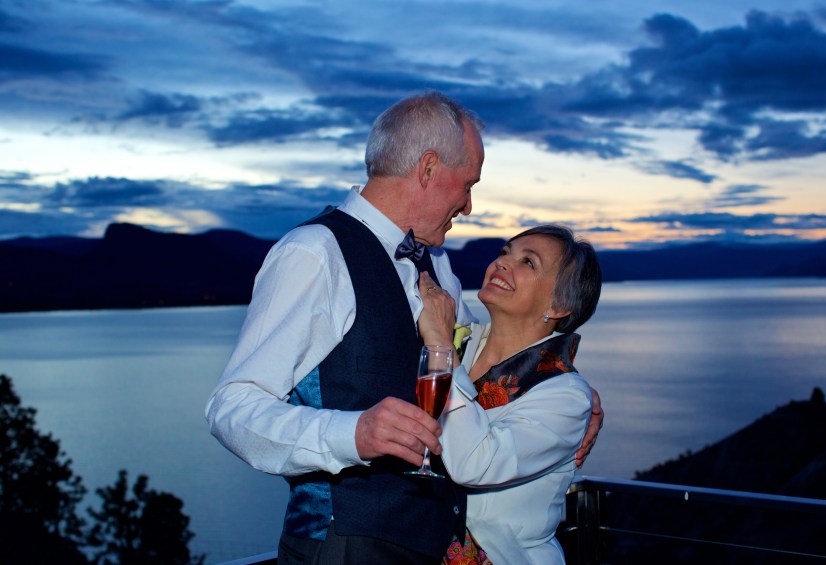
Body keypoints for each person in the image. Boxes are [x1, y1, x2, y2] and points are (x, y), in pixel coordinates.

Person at [205, 92, 602, 564]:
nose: (468, 205)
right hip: (345, 548)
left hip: (431, 547)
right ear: (428, 169)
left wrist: (568, 392)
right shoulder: (315, 254)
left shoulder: (437, 266)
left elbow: (489, 359)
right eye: (467, 185)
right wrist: (353, 434)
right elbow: (232, 408)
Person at [418, 224, 603, 564]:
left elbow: (475, 464)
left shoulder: (566, 396)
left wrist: (441, 345)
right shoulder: (463, 344)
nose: (502, 262)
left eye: (528, 262)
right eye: (505, 253)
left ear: (559, 305)